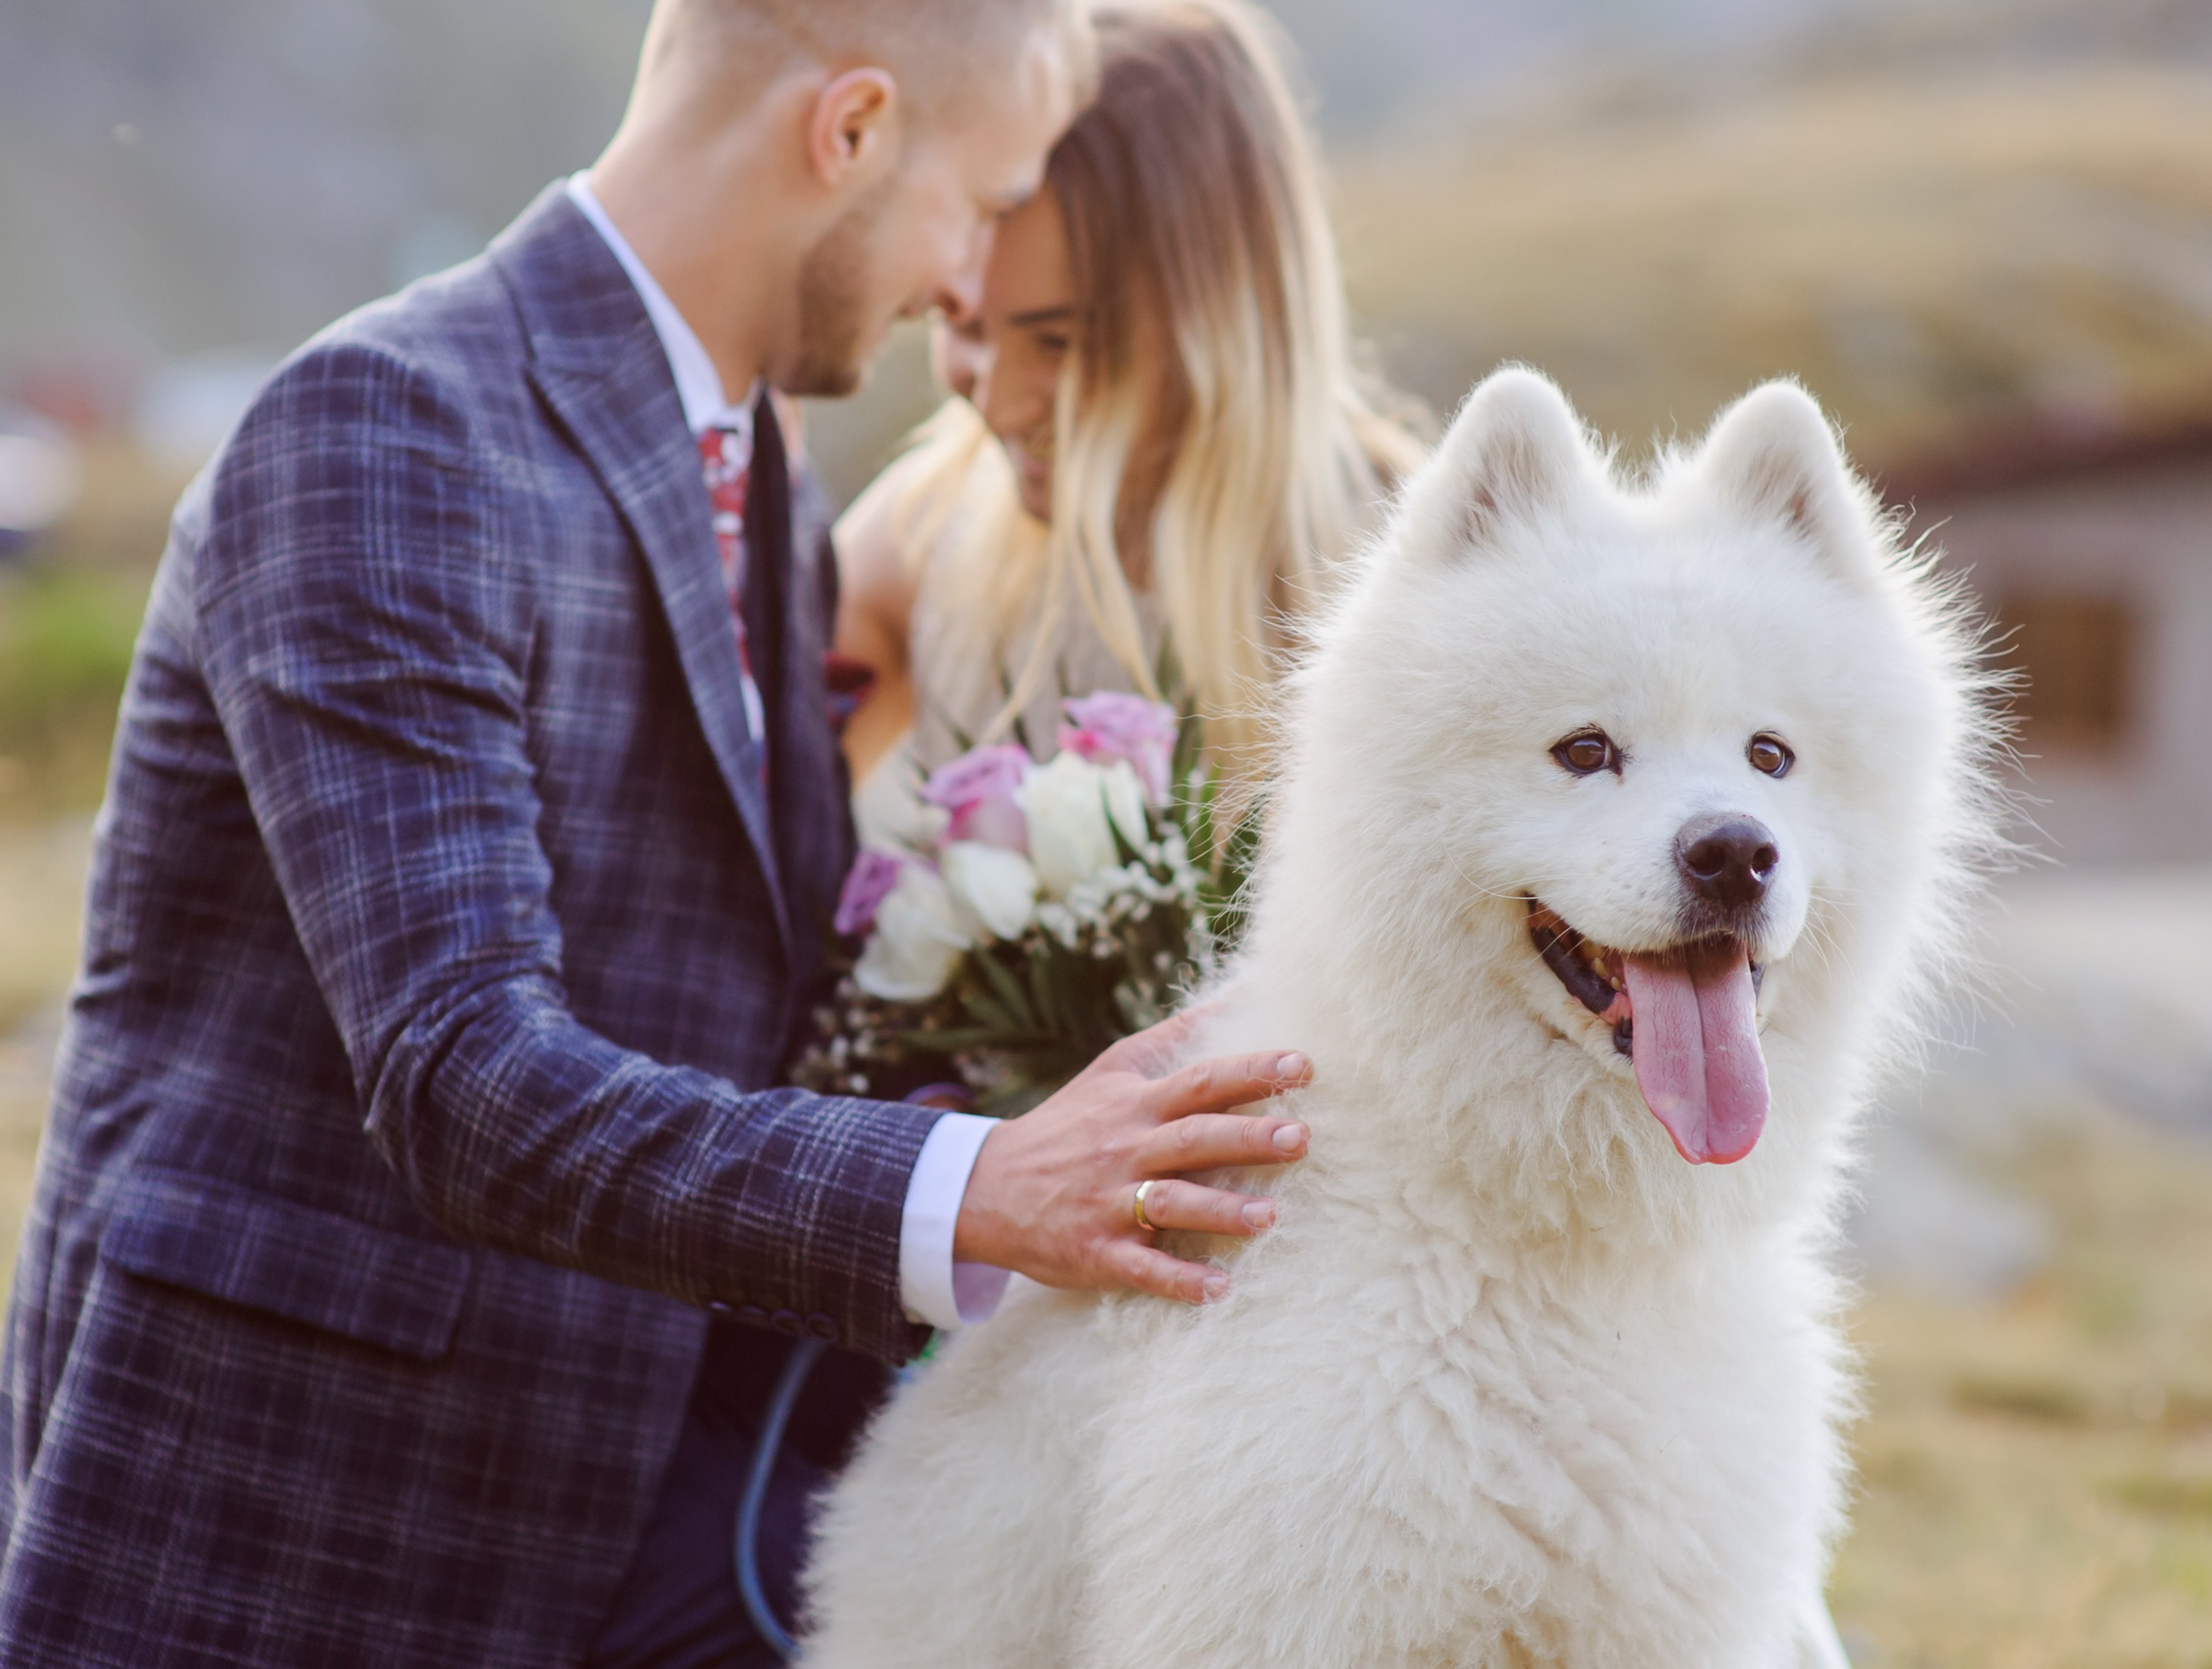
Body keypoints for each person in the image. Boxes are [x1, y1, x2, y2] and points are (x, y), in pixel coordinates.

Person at [0, 3, 1313, 1664]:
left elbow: (720, 998)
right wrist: (988, 1179)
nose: (963, 286)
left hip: (620, 1516)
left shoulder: (761, 482)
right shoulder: (386, 431)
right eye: (978, 203)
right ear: (847, 131)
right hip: (295, 1527)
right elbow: (462, 1073)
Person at [831, 0, 1423, 816]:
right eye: (960, 323)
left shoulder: (1420, 578)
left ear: (1220, 320)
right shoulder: (918, 544)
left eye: (1062, 344)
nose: (996, 406)